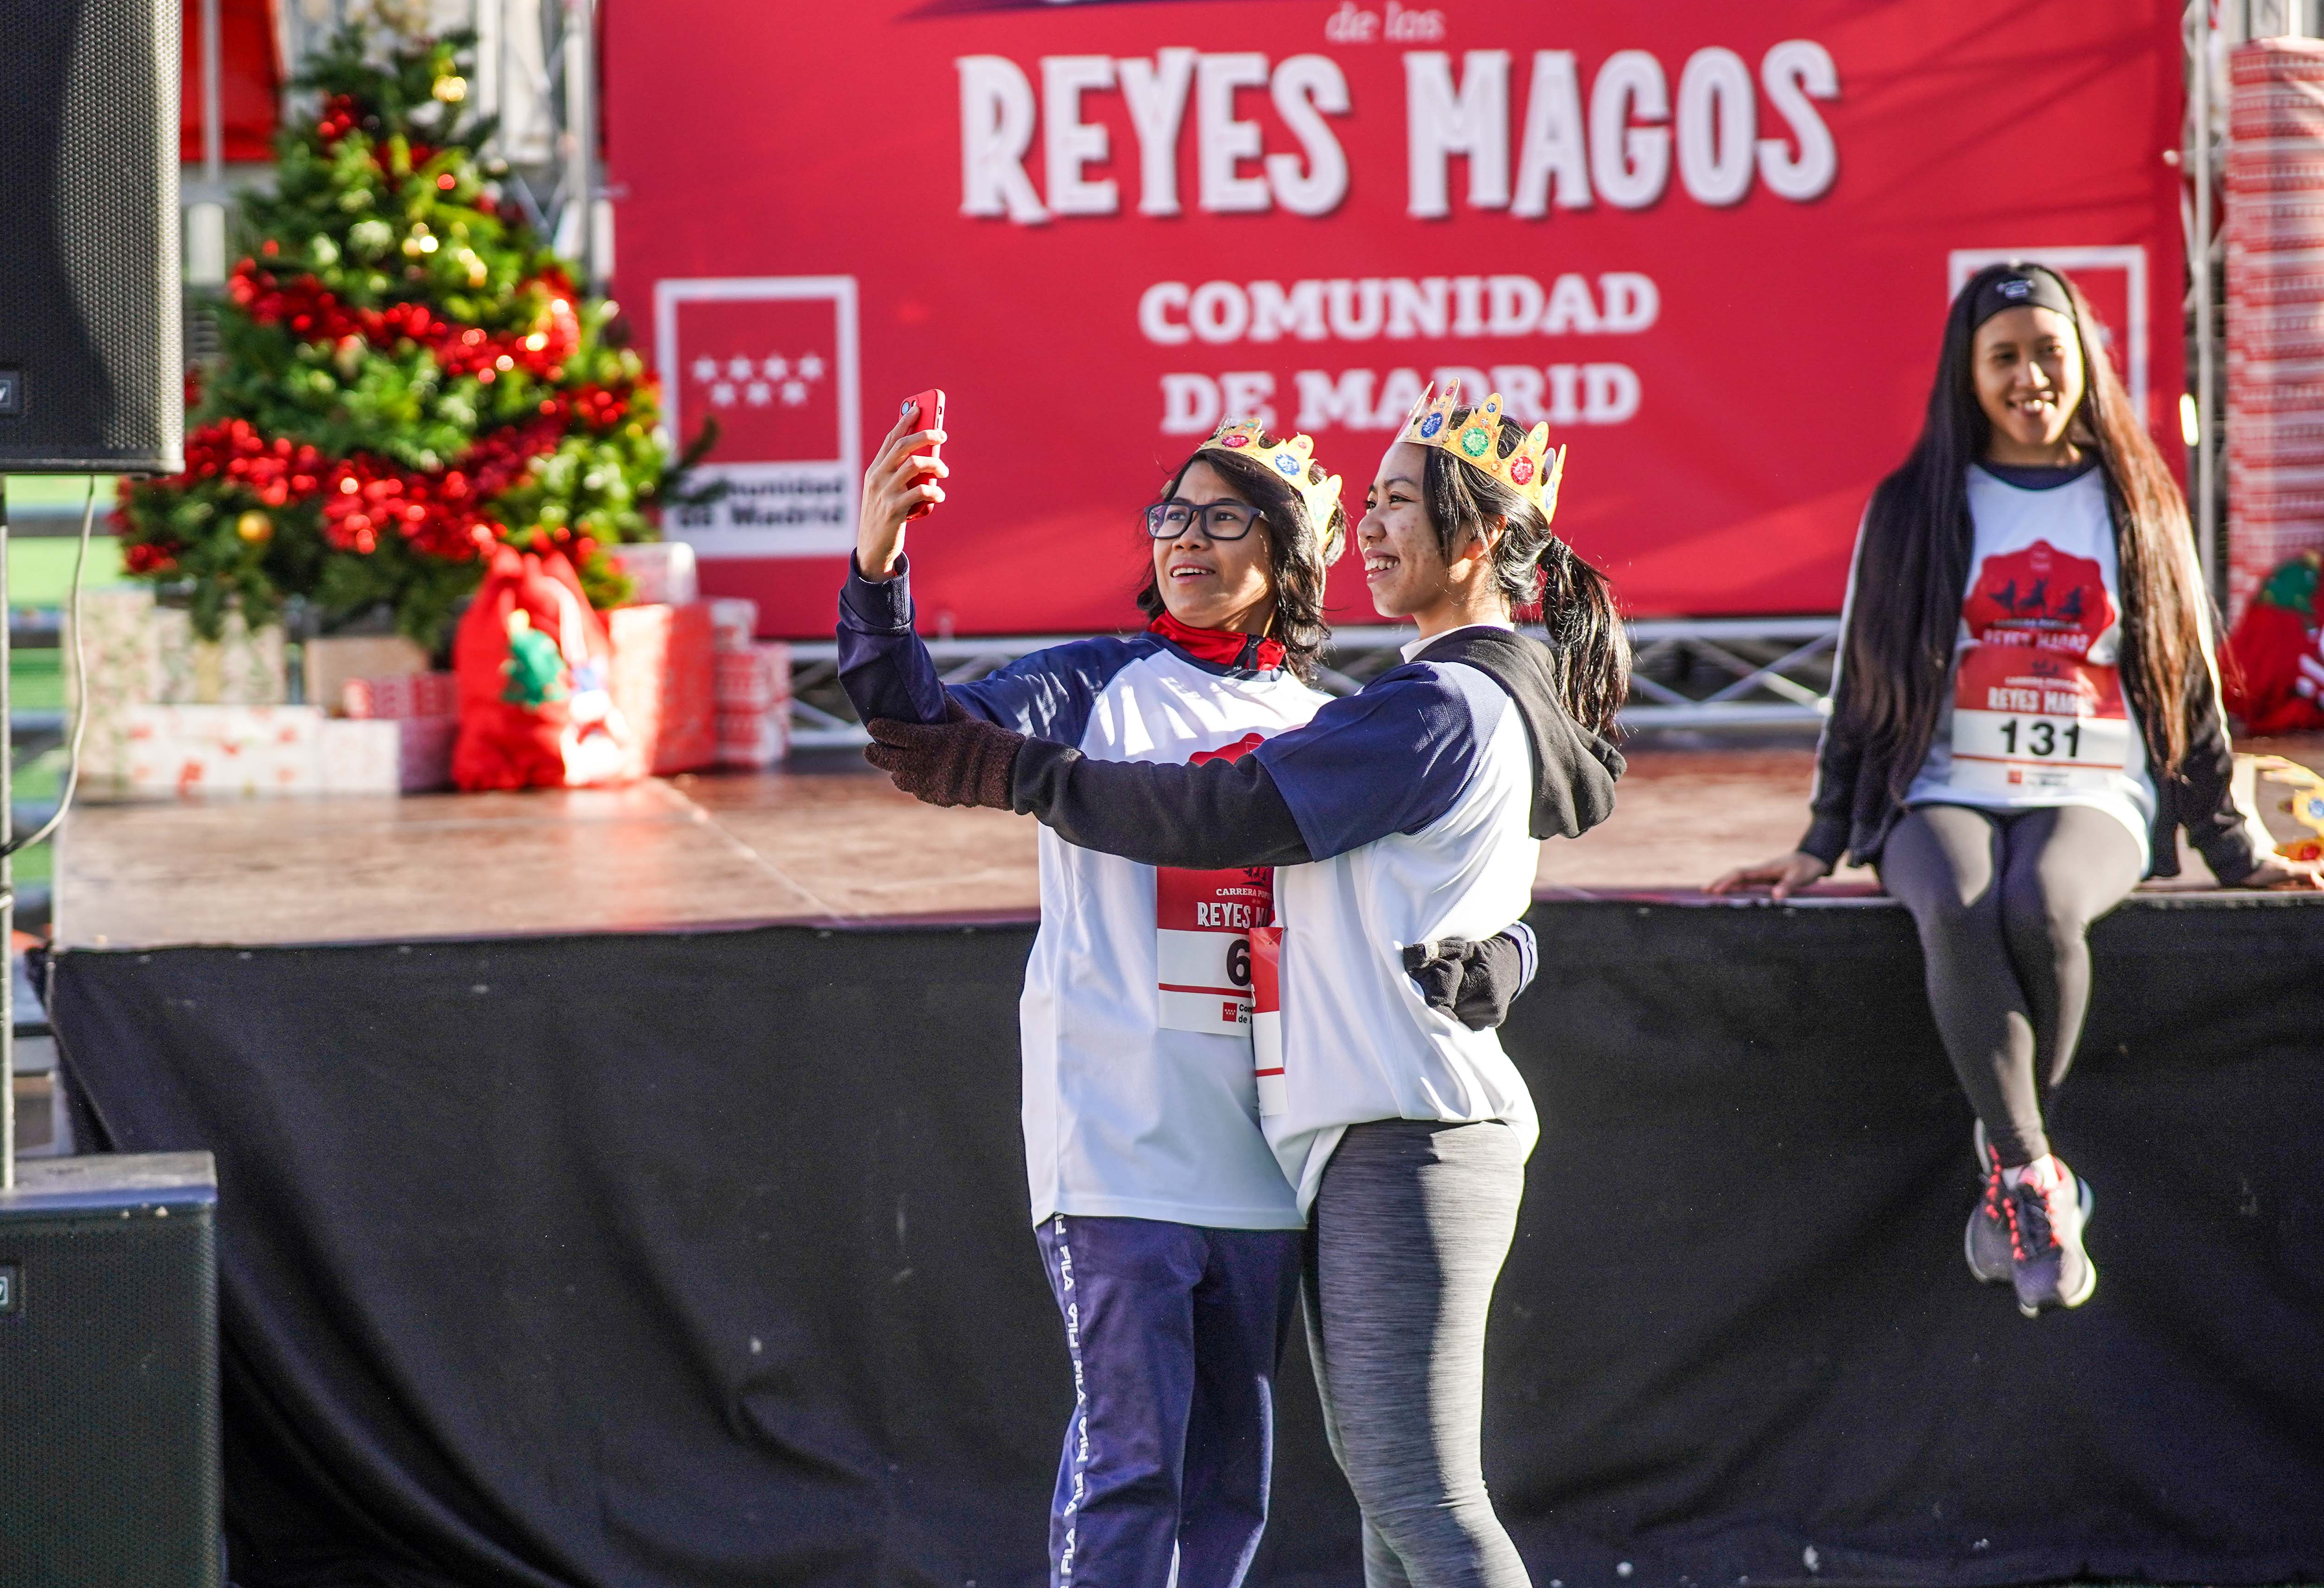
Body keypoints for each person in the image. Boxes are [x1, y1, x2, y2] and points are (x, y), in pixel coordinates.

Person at [863, 386, 1628, 1588]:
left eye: (1228, 522)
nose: (1187, 540)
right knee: (1273, 1487)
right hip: (1189, 1130)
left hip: (1350, 1139)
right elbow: (911, 727)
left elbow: (1236, 813)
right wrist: (878, 571)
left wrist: (1029, 777)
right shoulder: (1351, 701)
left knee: (1361, 1498)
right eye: (1174, 514)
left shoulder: (1386, 712)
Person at [1710, 262, 2324, 1320]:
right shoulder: (1914, 504)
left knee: (2042, 906)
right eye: (2006, 356)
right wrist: (1819, 838)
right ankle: (2039, 1176)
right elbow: (1865, 678)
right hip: (1941, 783)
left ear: (2083, 361)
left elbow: (2184, 682)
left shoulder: (2137, 498)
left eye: (2049, 351)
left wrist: (2233, 847)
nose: (2031, 376)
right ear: (1969, 373)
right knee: (1955, 898)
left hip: (2094, 787)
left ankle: (2008, 1171)